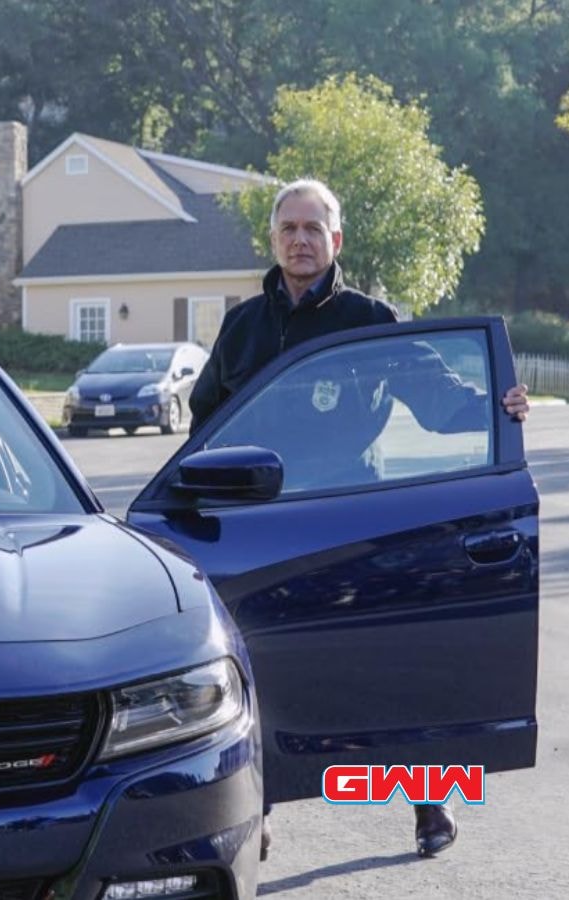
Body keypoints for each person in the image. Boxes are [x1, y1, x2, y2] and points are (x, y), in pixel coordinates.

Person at [188, 178, 529, 861]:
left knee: (379, 671)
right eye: (289, 227)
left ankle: (430, 801)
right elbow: (206, 420)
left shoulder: (370, 317)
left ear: (336, 239)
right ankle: (259, 808)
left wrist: (500, 405)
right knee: (262, 672)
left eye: (314, 228)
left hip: (352, 522)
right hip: (261, 524)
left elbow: (438, 400)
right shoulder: (243, 325)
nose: (301, 239)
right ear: (274, 238)